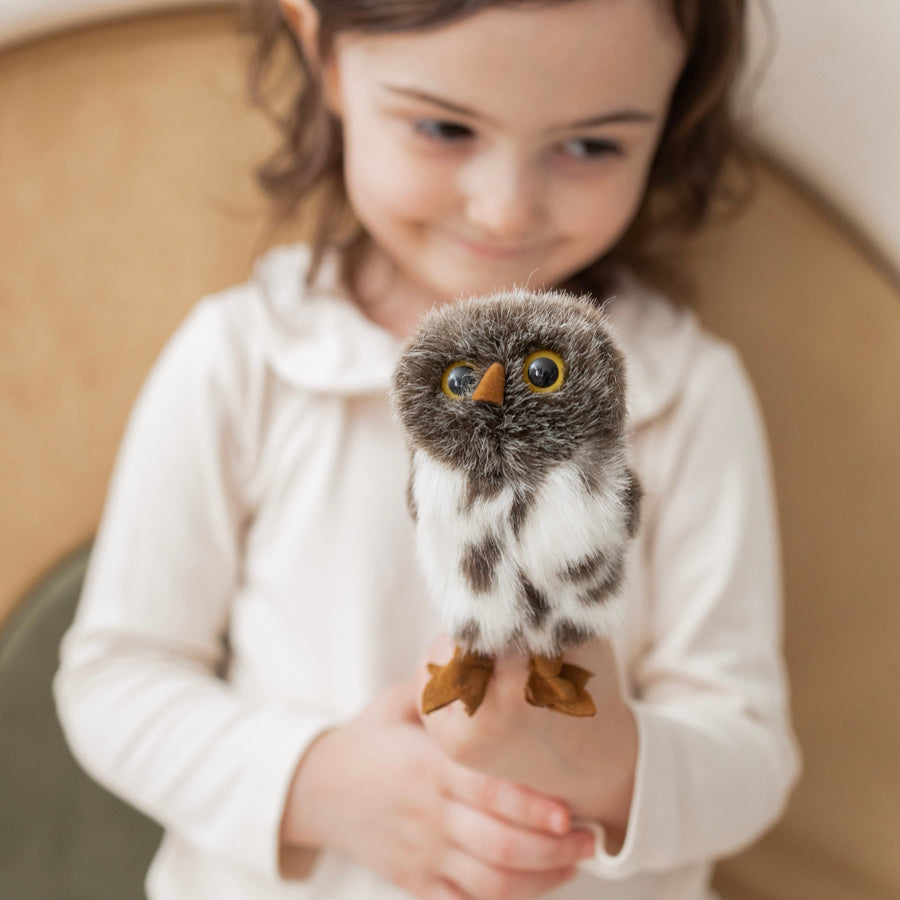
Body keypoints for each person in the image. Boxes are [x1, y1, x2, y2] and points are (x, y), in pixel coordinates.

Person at [54, 1, 802, 898]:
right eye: (445, 128)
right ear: (325, 55)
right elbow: (115, 678)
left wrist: (603, 760)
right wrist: (322, 785)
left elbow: (750, 753)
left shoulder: (682, 393)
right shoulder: (248, 361)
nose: (505, 207)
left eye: (591, 145)